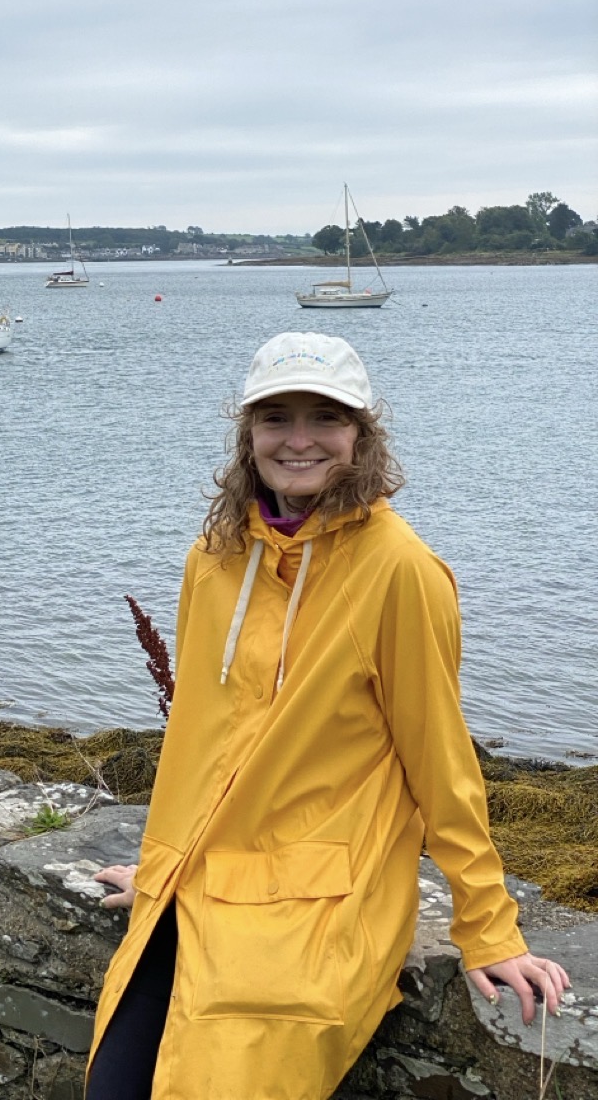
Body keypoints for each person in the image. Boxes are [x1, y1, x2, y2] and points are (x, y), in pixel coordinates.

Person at [86, 332, 569, 1100]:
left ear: (362, 434)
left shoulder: (399, 571)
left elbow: (440, 761)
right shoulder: (212, 558)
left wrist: (487, 926)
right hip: (197, 881)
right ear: (248, 434)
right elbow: (199, 735)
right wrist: (160, 867)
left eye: (326, 418)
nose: (300, 439)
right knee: (112, 1086)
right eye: (276, 417)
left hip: (318, 908)